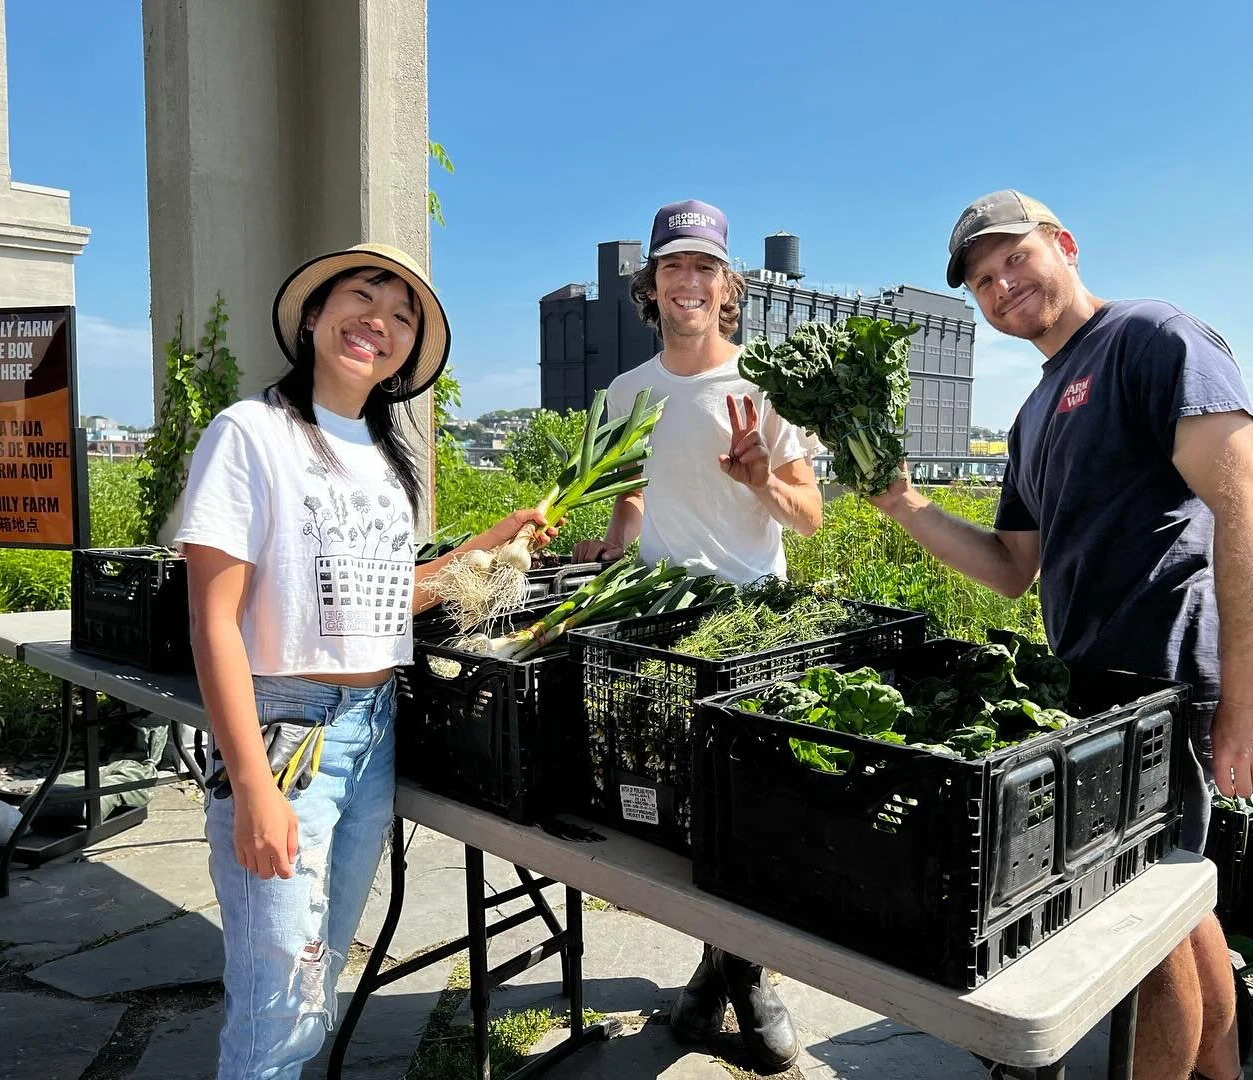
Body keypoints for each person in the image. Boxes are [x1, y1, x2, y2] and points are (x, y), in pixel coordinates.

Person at [869, 191, 1253, 1080]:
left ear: (1064, 245)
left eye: (1014, 258)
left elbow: (1245, 504)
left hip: (1165, 685)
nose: (1001, 284)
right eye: (982, 279)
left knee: (1135, 928)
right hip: (1096, 690)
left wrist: (1249, 700)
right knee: (1177, 906)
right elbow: (1013, 566)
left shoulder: (1150, 338)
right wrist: (905, 506)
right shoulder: (1033, 412)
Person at [174, 242, 554, 1079]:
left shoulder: (387, 463)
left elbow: (388, 598)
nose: (380, 320)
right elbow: (213, 621)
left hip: (371, 730)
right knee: (274, 1010)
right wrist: (253, 792)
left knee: (314, 980)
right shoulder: (251, 433)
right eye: (362, 295)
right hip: (288, 734)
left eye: (403, 314)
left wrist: (496, 544)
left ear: (406, 353)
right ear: (314, 315)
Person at [574, 199, 823, 1072]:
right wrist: (605, 550)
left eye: (704, 268)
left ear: (728, 287)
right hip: (664, 623)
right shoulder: (626, 395)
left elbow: (812, 516)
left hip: (757, 625)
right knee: (681, 809)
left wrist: (760, 478)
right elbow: (631, 496)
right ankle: (728, 972)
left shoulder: (764, 390)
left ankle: (740, 981)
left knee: (746, 810)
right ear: (651, 285)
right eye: (673, 267)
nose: (688, 282)